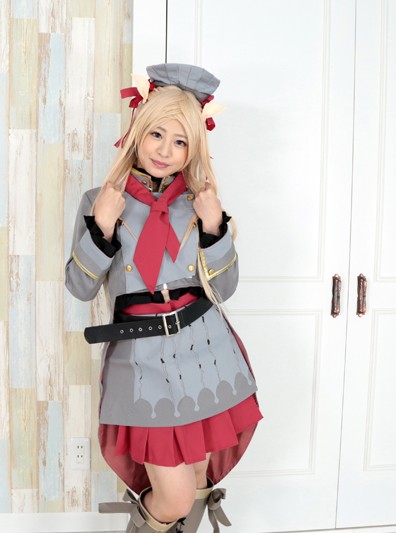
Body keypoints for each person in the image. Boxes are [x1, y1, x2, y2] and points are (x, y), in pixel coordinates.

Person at [65, 63, 262, 533]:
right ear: (138, 130)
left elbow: (225, 289)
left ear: (193, 149)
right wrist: (102, 226)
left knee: (196, 481)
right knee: (173, 497)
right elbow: (80, 286)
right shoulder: (100, 200)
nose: (165, 151)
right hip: (142, 359)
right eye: (156, 134)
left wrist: (214, 227)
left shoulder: (199, 201)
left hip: (206, 351)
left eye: (180, 142)